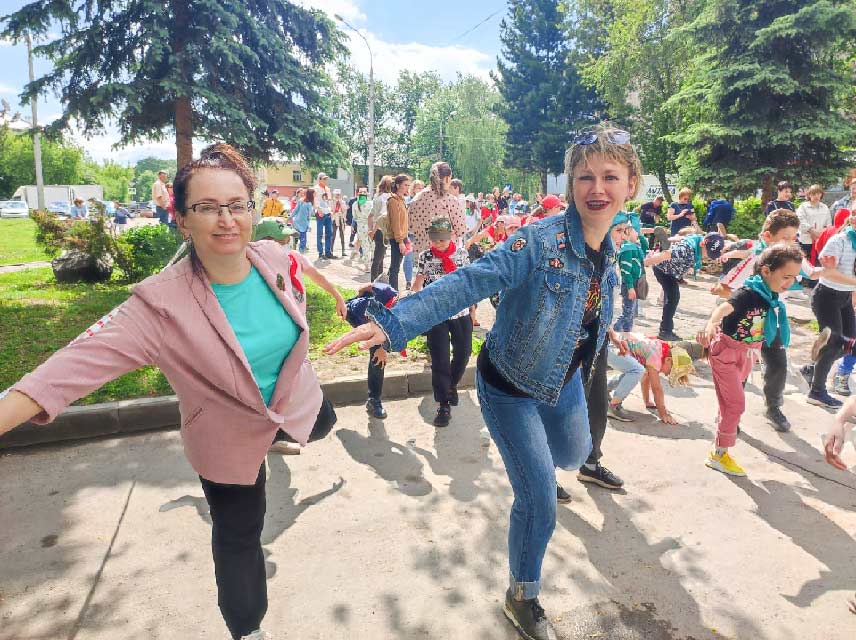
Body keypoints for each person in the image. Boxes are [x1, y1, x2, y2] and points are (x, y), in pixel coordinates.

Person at [0, 144, 337, 640]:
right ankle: (248, 630)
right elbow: (60, 373)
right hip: (225, 439)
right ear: (181, 219)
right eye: (207, 208)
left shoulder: (272, 257)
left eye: (236, 204)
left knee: (325, 422)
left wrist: (335, 295)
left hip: (295, 400)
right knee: (240, 536)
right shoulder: (157, 307)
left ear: (253, 209)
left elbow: (299, 274)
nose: (226, 220)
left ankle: (280, 433)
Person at [324, 126, 639, 640]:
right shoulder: (538, 241)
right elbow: (470, 280)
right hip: (509, 384)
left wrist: (612, 333)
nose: (596, 188)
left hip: (561, 384)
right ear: (571, 181)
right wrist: (395, 321)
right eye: (585, 176)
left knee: (577, 452)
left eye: (610, 177)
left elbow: (586, 310)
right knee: (539, 500)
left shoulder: (611, 248)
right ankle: (523, 596)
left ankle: (547, 463)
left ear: (630, 185)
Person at [699, 243, 803, 476]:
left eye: (793, 278)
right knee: (736, 404)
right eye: (786, 276)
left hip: (746, 355)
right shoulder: (749, 293)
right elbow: (725, 308)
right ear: (766, 271)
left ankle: (723, 420)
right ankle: (719, 455)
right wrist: (710, 324)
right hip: (726, 353)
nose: (789, 283)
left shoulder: (772, 296)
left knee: (730, 403)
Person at [411, 217, 473, 427]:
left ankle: (450, 386)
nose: (438, 243)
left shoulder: (462, 254)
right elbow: (418, 283)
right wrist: (413, 301)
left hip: (460, 311)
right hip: (435, 314)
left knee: (464, 354)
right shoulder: (425, 256)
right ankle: (443, 405)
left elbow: (468, 283)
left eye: (442, 240)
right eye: (435, 240)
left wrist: (473, 310)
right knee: (440, 360)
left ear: (451, 236)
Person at [808, 214, 856, 408]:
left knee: (850, 342)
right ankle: (816, 392)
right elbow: (828, 271)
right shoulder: (840, 240)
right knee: (834, 344)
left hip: (844, 298)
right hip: (827, 296)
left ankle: (813, 369)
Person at [645, 232, 726, 341]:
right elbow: (665, 255)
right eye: (708, 253)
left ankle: (665, 330)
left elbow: (681, 237)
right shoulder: (687, 249)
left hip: (672, 272)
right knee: (673, 297)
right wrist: (644, 263)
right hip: (663, 271)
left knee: (672, 297)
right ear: (702, 244)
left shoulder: (695, 240)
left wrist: (670, 239)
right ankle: (665, 331)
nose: (708, 256)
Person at [344, 279, 400, 419]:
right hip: (352, 312)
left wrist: (383, 347)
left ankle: (373, 400)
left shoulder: (400, 314)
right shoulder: (385, 290)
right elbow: (364, 286)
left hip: (371, 317)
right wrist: (360, 295)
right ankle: (374, 400)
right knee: (377, 352)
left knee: (379, 352)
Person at [408, 162, 467, 256]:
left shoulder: (415, 199)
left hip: (421, 258)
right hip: (444, 259)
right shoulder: (450, 200)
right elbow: (461, 231)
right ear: (447, 178)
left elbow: (410, 227)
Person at [613, 217, 645, 332]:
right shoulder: (627, 249)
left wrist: (639, 237)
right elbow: (626, 271)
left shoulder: (633, 246)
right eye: (638, 230)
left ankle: (627, 335)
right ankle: (614, 330)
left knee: (631, 313)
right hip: (629, 284)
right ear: (629, 231)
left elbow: (644, 248)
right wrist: (631, 288)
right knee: (627, 313)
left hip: (634, 283)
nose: (640, 233)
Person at [386, 174, 411, 291]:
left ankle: (388, 289)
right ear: (397, 185)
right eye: (405, 185)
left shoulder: (402, 200)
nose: (407, 187)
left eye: (408, 185)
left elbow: (404, 222)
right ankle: (393, 294)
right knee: (395, 268)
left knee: (396, 266)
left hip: (403, 237)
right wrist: (400, 241)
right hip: (397, 238)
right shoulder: (393, 201)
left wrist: (405, 238)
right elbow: (396, 223)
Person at [796, 184, 831, 257]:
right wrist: (812, 231)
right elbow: (800, 220)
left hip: (821, 240)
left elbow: (828, 224)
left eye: (818, 193)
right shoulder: (803, 207)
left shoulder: (825, 207)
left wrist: (820, 234)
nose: (816, 196)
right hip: (806, 241)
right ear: (809, 195)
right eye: (813, 194)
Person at [370, 176, 394, 281]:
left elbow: (370, 215)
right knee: (378, 258)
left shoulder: (377, 197)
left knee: (379, 257)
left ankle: (377, 281)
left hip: (377, 230)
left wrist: (371, 229)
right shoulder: (389, 198)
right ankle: (374, 282)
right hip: (383, 230)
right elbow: (382, 217)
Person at [351, 187, 373, 271]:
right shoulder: (370, 203)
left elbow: (354, 217)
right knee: (373, 245)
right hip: (370, 226)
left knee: (365, 247)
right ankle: (374, 263)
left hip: (361, 227)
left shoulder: (355, 204)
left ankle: (367, 266)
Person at [313, 172, 335, 259]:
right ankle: (320, 253)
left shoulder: (327, 189)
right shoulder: (316, 188)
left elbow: (329, 200)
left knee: (329, 233)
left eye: (326, 179)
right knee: (320, 233)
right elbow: (314, 200)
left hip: (327, 212)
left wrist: (331, 211)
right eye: (324, 179)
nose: (325, 180)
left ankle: (328, 252)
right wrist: (318, 210)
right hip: (320, 212)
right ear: (319, 179)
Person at [287, 188, 314, 253]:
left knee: (296, 238)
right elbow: (309, 216)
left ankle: (294, 250)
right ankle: (300, 253)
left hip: (297, 222)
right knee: (302, 240)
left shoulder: (300, 201)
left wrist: (290, 217)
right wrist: (308, 225)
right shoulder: (309, 203)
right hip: (303, 224)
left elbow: (295, 210)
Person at [330, 188, 347, 257]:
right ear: (333, 195)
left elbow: (344, 210)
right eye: (336, 194)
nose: (337, 196)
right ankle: (331, 250)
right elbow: (331, 210)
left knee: (342, 235)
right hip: (334, 219)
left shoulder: (343, 202)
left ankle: (343, 250)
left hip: (341, 218)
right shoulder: (331, 202)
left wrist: (340, 203)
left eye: (339, 194)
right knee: (333, 235)